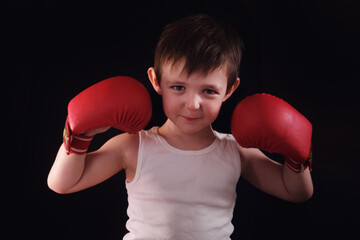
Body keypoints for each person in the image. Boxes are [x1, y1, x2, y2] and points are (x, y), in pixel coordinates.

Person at [48, 14, 313, 239]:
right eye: (178, 87)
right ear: (156, 81)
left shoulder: (236, 151)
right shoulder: (134, 145)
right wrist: (80, 136)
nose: (193, 104)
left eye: (208, 90)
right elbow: (63, 184)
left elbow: (296, 192)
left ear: (230, 90)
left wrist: (295, 155)